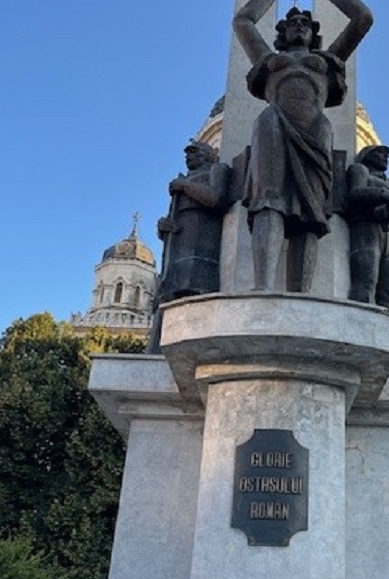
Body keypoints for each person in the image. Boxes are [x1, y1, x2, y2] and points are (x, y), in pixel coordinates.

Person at [233, 0, 373, 291]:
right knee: (267, 200)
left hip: (316, 129)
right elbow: (243, 21)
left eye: (305, 23)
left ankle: (302, 293)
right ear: (282, 33)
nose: (299, 25)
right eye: (293, 22)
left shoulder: (329, 58)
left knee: (312, 209)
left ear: (314, 34)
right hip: (274, 121)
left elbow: (363, 18)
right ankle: (262, 287)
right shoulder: (268, 57)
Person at [147, 141, 232, 353]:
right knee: (166, 297)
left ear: (210, 154)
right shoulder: (182, 180)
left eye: (194, 153)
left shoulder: (217, 170)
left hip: (200, 244)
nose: (188, 157)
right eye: (187, 154)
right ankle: (157, 352)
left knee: (195, 292)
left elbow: (216, 199)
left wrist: (185, 187)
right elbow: (173, 216)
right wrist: (163, 228)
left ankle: (192, 348)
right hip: (177, 245)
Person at [345, 145, 389, 309]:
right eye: (380, 153)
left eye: (387, 154)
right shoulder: (360, 169)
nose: (385, 157)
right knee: (365, 282)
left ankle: (388, 332)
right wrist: (388, 194)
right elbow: (355, 193)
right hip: (367, 229)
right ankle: (359, 325)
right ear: (366, 155)